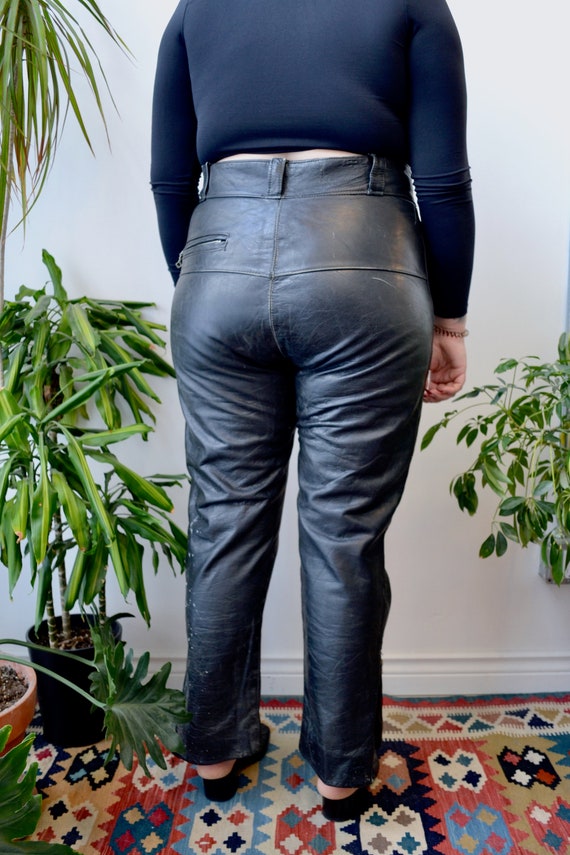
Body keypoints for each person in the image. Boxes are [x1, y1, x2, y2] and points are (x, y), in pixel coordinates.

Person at [151, 0, 474, 822]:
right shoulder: (412, 4)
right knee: (343, 534)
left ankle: (215, 750)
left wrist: (205, 279)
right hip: (363, 259)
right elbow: (442, 182)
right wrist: (450, 320)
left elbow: (169, 181)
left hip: (216, 258)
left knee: (223, 519)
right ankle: (339, 773)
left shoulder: (196, 9)